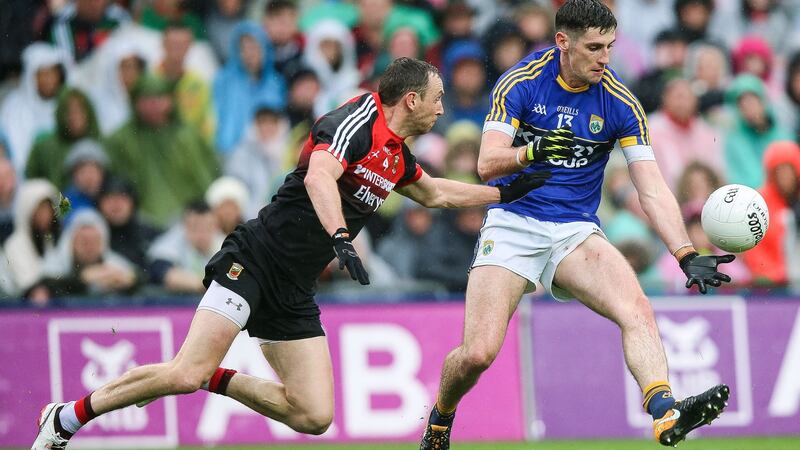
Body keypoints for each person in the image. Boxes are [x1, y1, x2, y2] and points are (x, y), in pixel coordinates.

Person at [31, 57, 557, 449]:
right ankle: (65, 419)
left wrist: (506, 192)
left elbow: (438, 193)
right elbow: (321, 177)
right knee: (182, 373)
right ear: (411, 100)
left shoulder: (396, 155)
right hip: (254, 261)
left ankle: (217, 376)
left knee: (313, 415)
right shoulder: (357, 119)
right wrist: (340, 236)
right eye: (438, 97)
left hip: (293, 289)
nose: (444, 107)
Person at [419, 2, 735, 449]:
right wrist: (533, 151)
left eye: (609, 46)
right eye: (594, 47)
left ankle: (665, 414)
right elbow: (486, 162)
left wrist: (684, 252)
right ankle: (440, 418)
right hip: (514, 222)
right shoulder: (522, 82)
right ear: (562, 42)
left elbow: (652, 188)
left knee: (637, 309)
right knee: (478, 353)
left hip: (574, 229)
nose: (605, 58)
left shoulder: (620, 101)